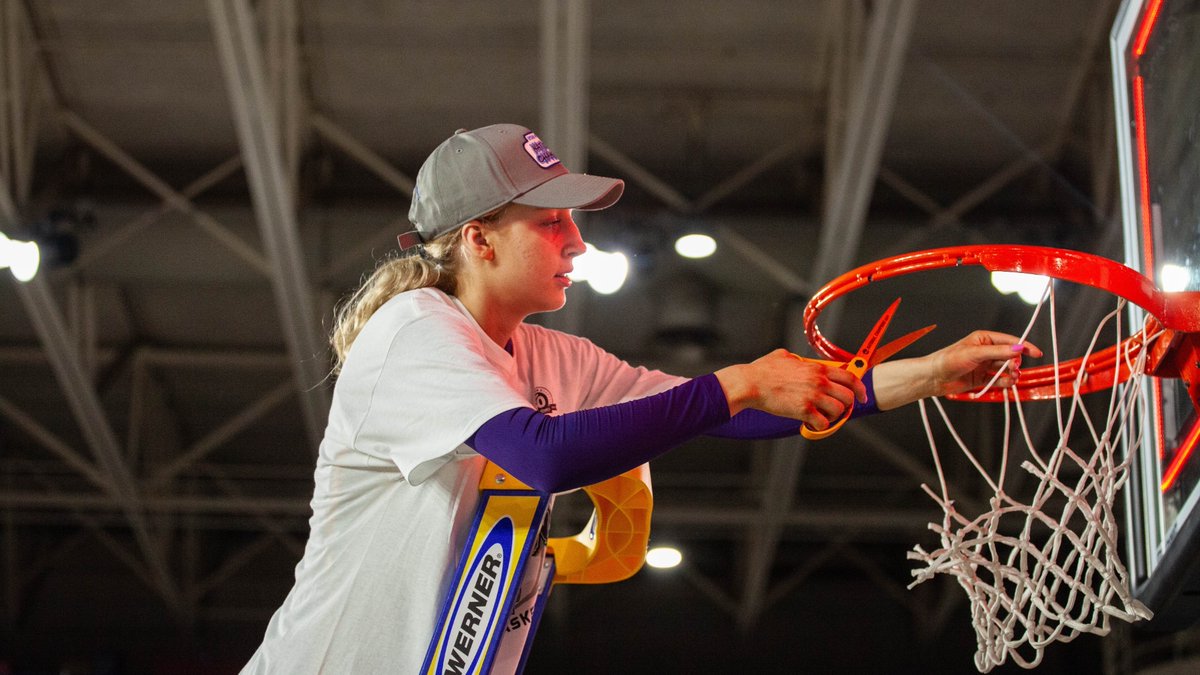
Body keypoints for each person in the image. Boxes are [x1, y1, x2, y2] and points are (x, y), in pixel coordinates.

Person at [240, 123, 1041, 673]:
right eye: (551, 222)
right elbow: (542, 455)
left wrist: (929, 373)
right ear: (478, 238)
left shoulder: (550, 354)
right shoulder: (415, 331)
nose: (578, 243)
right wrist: (737, 382)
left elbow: (743, 412)